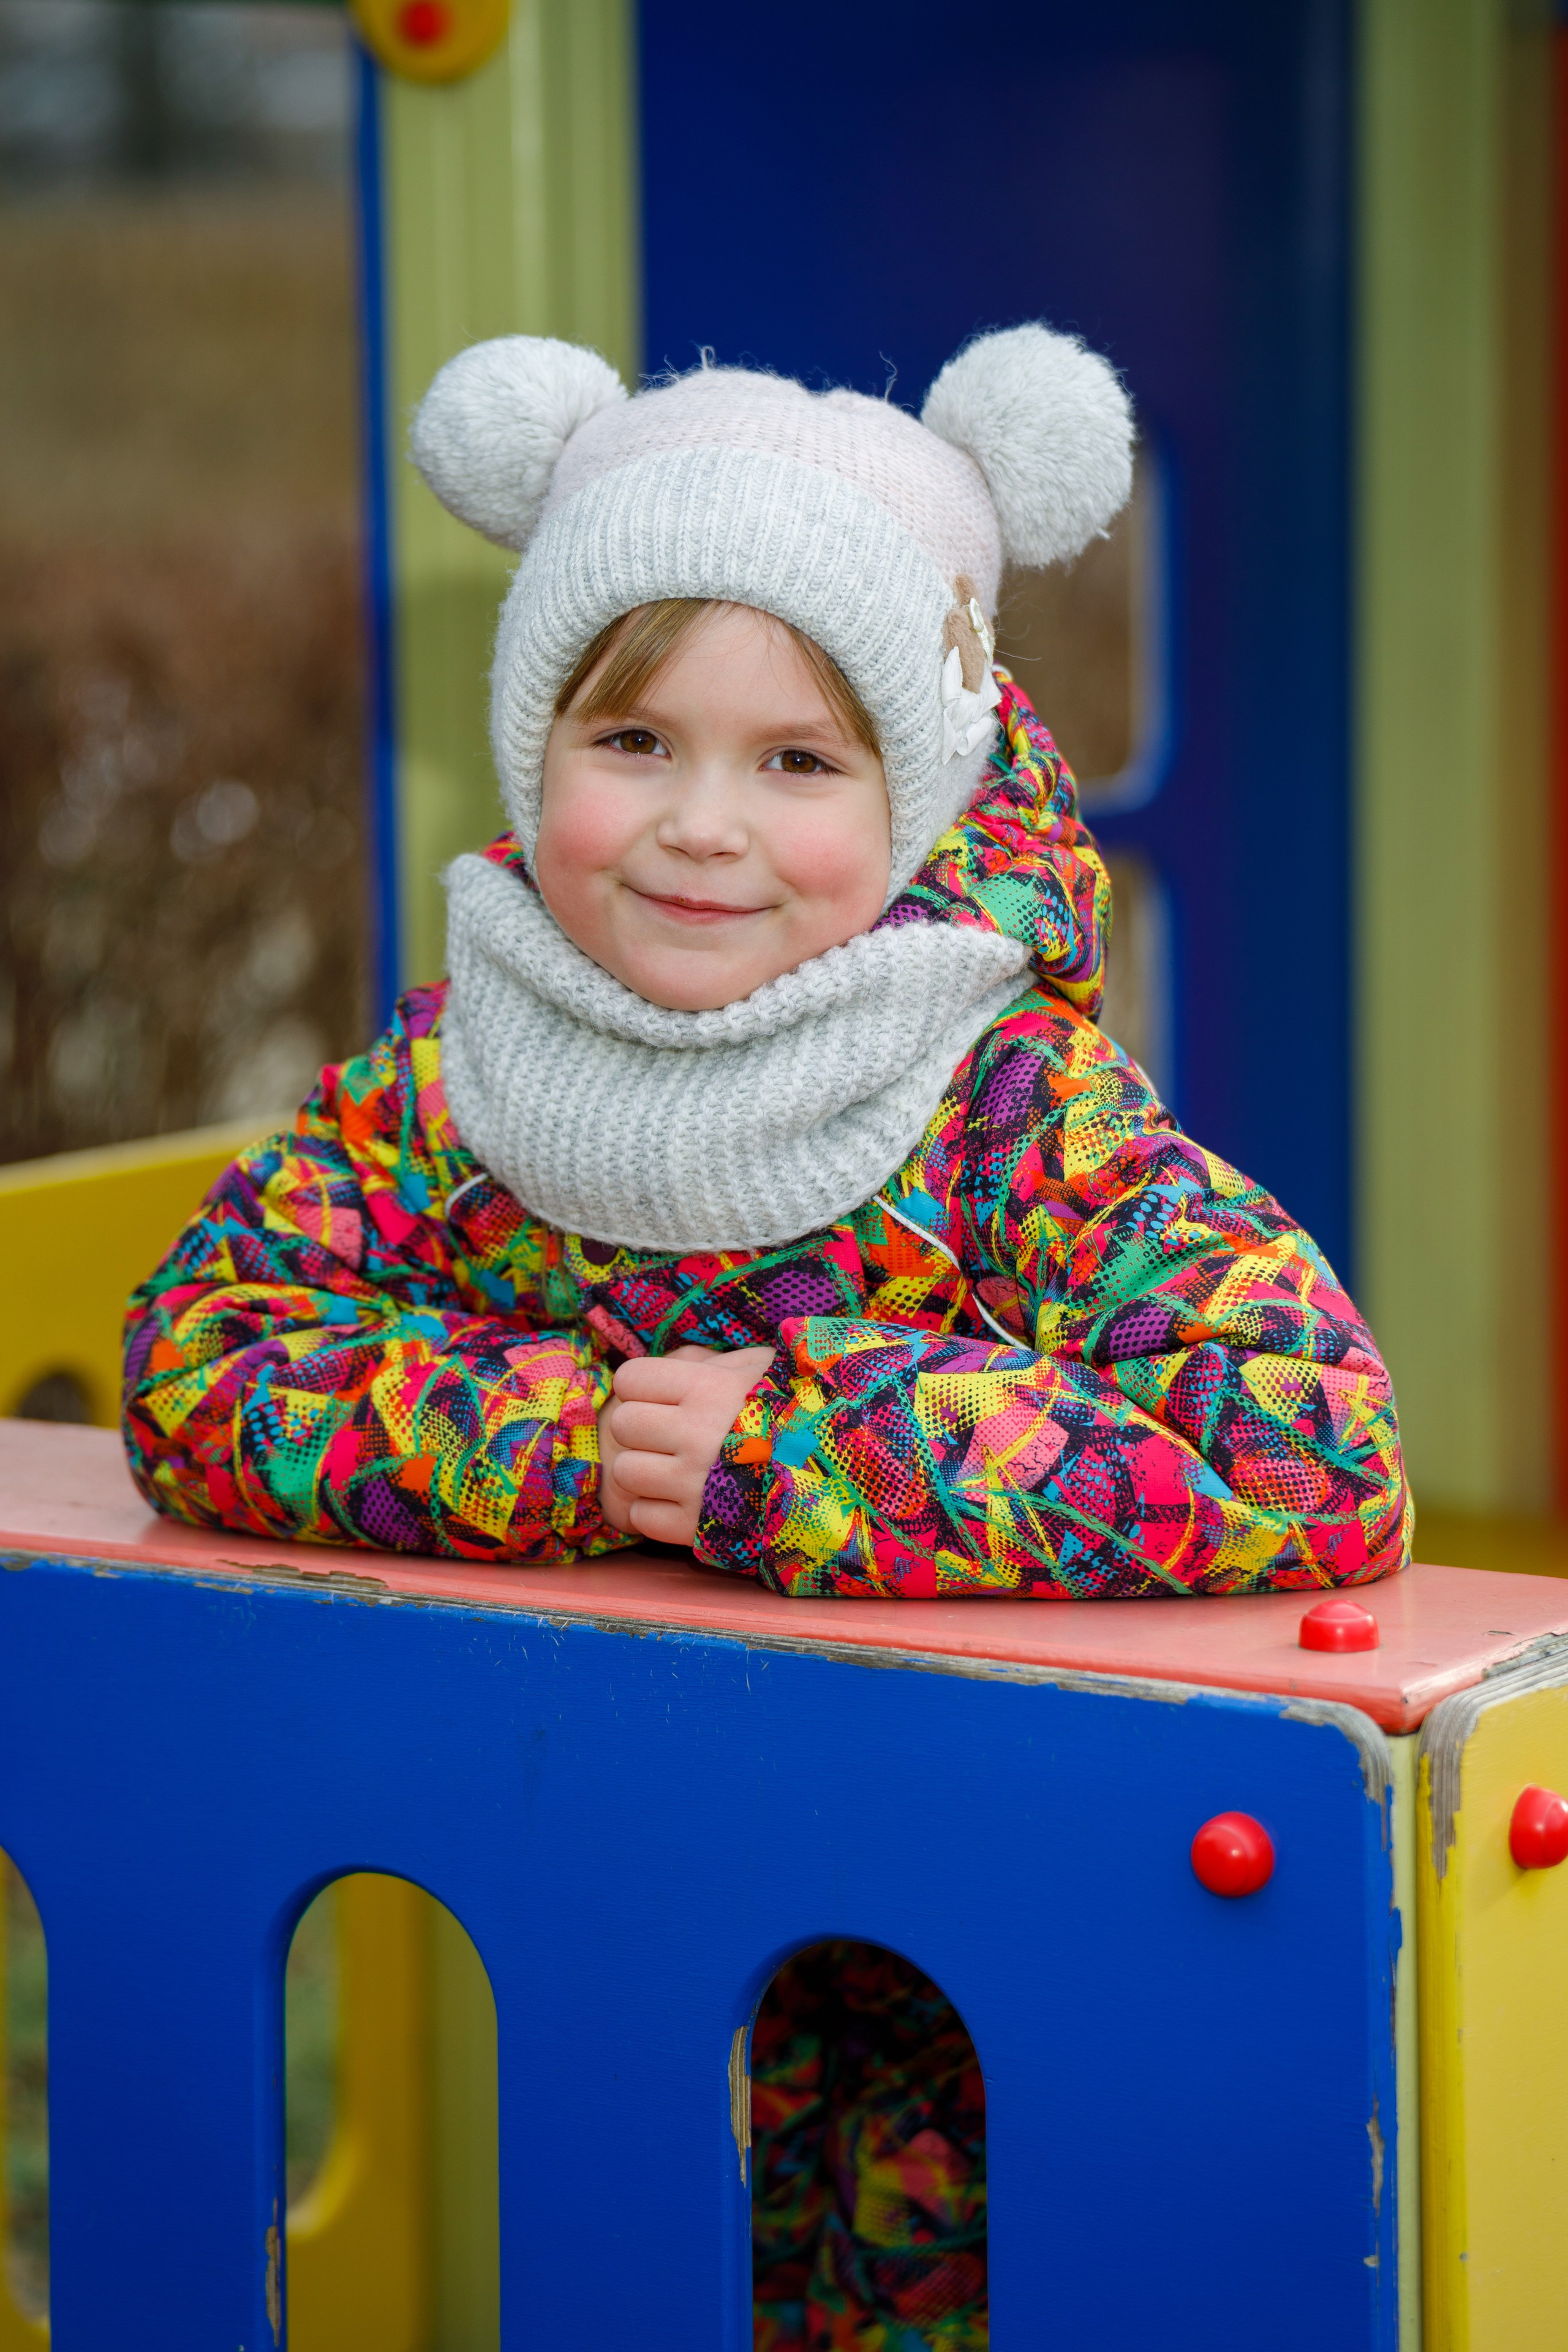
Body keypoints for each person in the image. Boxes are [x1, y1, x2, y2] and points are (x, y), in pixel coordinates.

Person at [122, 328, 1408, 2348]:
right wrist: (567, 1441)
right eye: (633, 742)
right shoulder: (460, 1084)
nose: (700, 827)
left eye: (799, 762)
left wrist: (796, 1458)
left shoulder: (1001, 1109)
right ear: (535, 742)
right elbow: (206, 1360)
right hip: (609, 1903)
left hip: (969, 1938)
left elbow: (1308, 1441)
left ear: (918, 794)